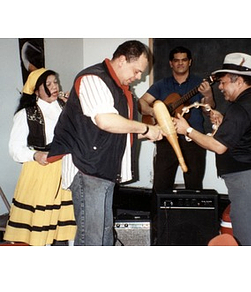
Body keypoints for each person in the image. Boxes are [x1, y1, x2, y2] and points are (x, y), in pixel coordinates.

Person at [47, 40, 163, 246]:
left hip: (103, 172)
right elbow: (105, 121)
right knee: (92, 239)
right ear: (121, 60)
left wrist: (153, 133)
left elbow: (120, 130)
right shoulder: (93, 78)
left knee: (104, 236)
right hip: (88, 170)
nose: (138, 78)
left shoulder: (121, 89)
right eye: (136, 71)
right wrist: (145, 128)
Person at [174, 52, 251, 245]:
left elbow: (218, 146)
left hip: (250, 184)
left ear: (238, 80)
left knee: (250, 242)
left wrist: (186, 129)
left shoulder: (241, 107)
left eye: (223, 82)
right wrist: (226, 122)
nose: (220, 87)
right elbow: (246, 133)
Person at [4, 68, 77, 246]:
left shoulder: (65, 107)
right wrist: (35, 155)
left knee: (66, 225)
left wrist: (74, 106)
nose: (54, 87)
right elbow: (14, 148)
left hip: (65, 170)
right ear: (36, 90)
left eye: (55, 82)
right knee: (40, 226)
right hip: (40, 173)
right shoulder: (26, 114)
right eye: (48, 84)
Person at [138, 46, 215, 193]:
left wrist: (209, 95)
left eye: (184, 60)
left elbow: (207, 111)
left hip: (193, 140)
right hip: (165, 140)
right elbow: (141, 103)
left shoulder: (199, 84)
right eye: (176, 60)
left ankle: (192, 216)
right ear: (171, 63)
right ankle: (159, 216)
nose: (180, 63)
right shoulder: (161, 84)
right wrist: (154, 112)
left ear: (190, 62)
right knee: (161, 185)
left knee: (194, 185)